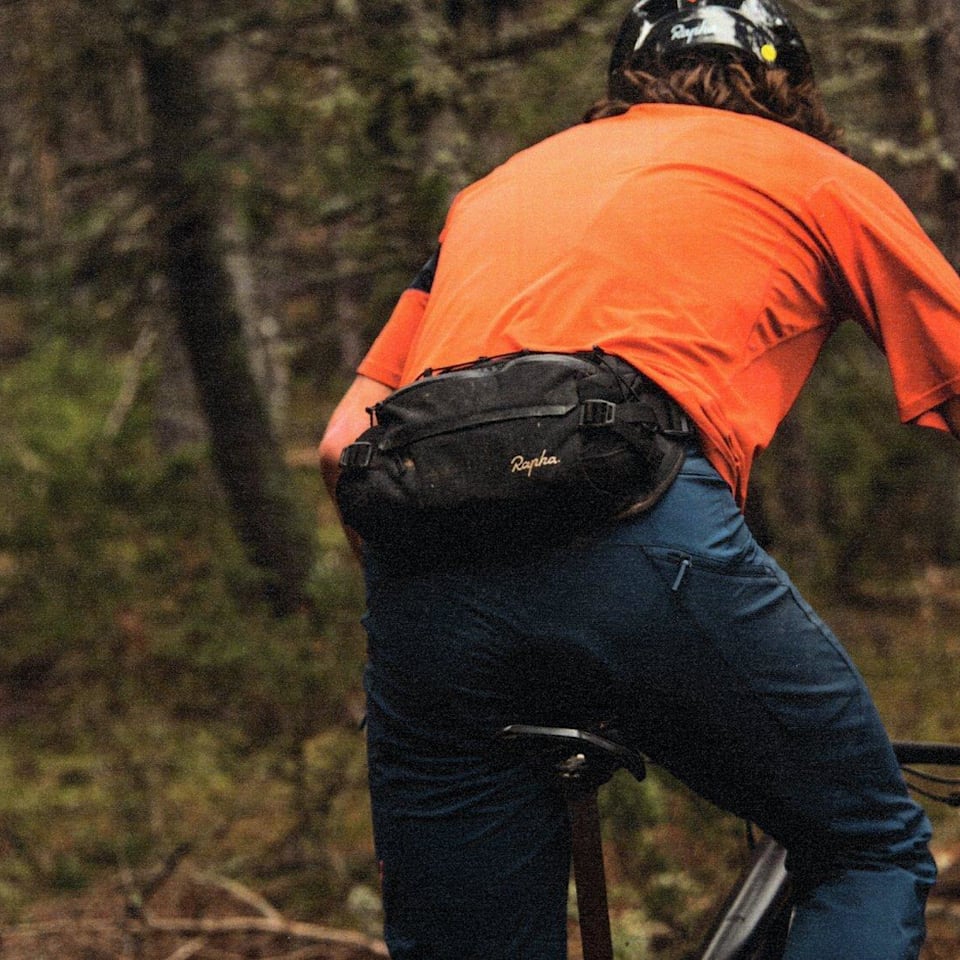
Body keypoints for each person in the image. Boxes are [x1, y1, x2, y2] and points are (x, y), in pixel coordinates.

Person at [320, 1, 960, 957]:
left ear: (624, 84)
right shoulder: (819, 175)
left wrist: (451, 603)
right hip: (643, 538)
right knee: (866, 847)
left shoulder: (495, 190)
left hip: (424, 575)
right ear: (791, 90)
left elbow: (342, 445)